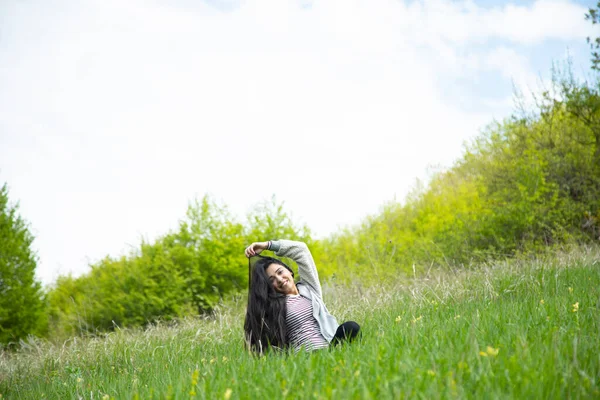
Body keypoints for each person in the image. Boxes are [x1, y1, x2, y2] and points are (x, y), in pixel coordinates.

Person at [244, 239, 360, 353]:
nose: (279, 279)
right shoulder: (275, 305)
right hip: (305, 354)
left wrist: (267, 245)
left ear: (290, 271)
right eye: (272, 280)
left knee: (351, 327)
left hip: (329, 348)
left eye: (280, 272)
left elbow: (301, 250)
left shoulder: (310, 290)